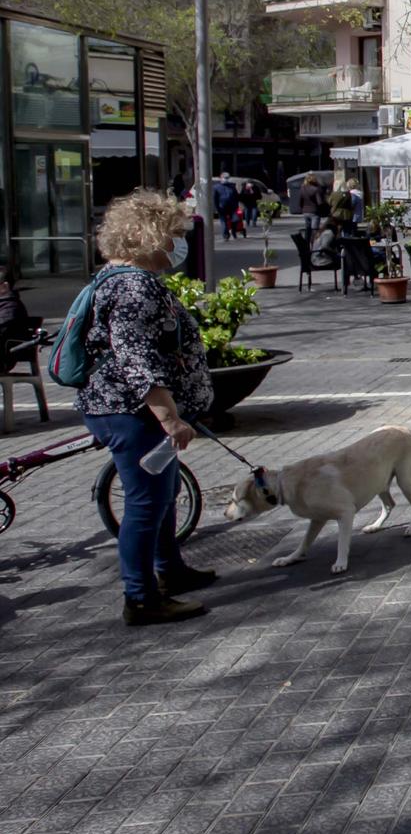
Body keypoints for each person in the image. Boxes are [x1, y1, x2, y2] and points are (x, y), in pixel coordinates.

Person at [75, 192, 217, 627]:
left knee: (162, 494)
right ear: (144, 235)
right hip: (131, 412)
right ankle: (140, 598)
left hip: (129, 408)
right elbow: (136, 359)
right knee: (145, 503)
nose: (178, 244)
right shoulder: (133, 287)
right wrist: (170, 418)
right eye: (173, 234)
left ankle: (170, 571)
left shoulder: (117, 280)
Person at [212, 174, 240, 240]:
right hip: (222, 207)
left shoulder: (232, 186)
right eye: (224, 178)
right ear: (221, 178)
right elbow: (215, 198)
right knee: (223, 221)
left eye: (227, 178)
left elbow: (236, 196)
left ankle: (233, 231)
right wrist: (216, 208)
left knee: (235, 219)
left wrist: (237, 205)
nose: (226, 179)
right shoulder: (216, 187)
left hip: (232, 207)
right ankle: (225, 235)